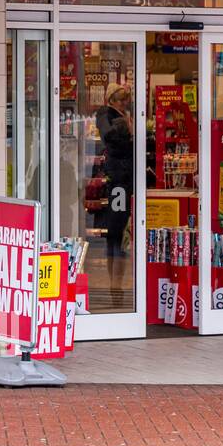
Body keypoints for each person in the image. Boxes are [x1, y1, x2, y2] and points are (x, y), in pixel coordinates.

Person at [95, 83, 134, 295]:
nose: (124, 103)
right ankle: (115, 285)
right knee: (116, 230)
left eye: (125, 99)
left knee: (120, 229)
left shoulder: (123, 114)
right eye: (120, 99)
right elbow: (108, 135)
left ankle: (116, 283)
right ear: (111, 100)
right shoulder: (106, 114)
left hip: (125, 178)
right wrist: (124, 126)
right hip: (117, 179)